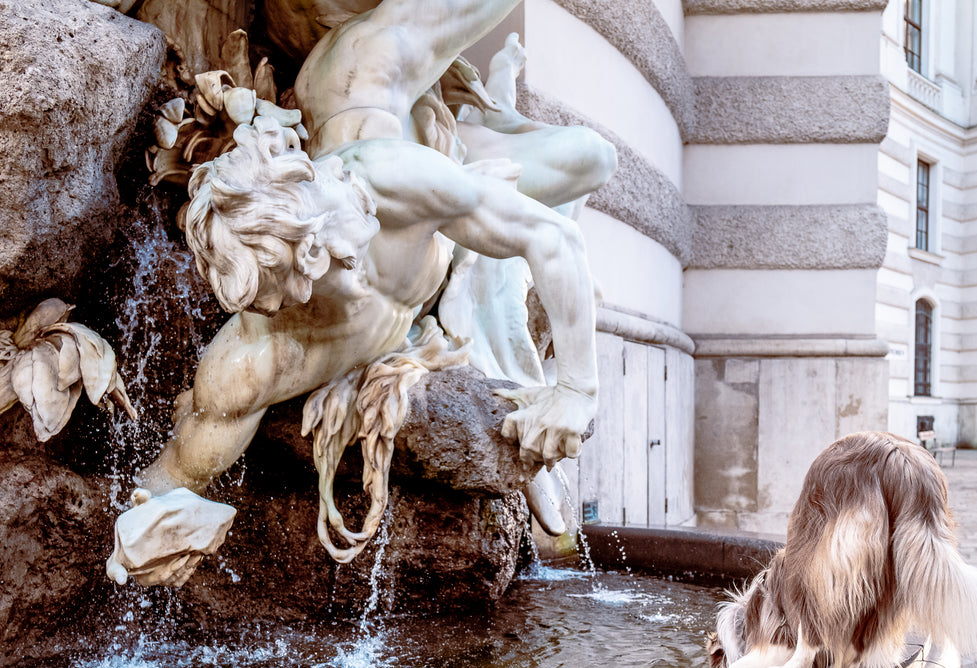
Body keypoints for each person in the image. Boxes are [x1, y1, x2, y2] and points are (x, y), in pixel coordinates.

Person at [111, 0, 613, 584]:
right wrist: (146, 537)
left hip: (366, 93)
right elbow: (170, 476)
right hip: (410, 171)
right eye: (276, 298)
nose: (272, 311)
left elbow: (555, 237)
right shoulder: (259, 354)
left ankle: (483, 120)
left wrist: (577, 389)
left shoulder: (382, 180)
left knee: (592, 156)